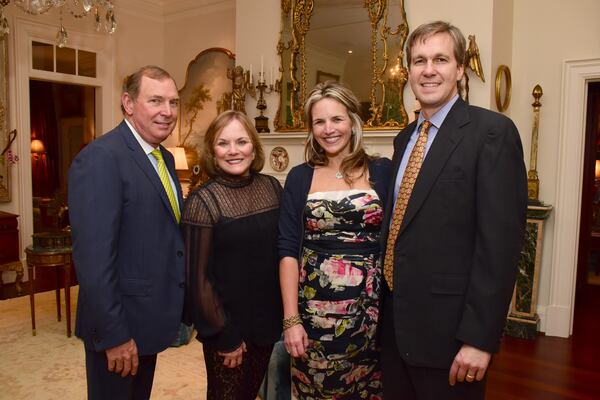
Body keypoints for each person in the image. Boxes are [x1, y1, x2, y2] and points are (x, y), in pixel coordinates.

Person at [379, 21, 528, 399]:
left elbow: (500, 247)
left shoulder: (492, 133)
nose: (428, 70)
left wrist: (480, 339)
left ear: (460, 69)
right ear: (408, 71)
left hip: (452, 337)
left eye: (440, 59)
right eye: (419, 60)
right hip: (396, 331)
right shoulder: (404, 139)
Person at [68, 65, 185, 399]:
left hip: (146, 320)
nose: (167, 112)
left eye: (174, 102)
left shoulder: (161, 157)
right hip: (118, 329)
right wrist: (115, 335)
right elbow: (93, 260)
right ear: (129, 104)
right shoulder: (101, 158)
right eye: (156, 101)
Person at [278, 81, 391, 399]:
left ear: (353, 121)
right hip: (313, 320)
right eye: (319, 121)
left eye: (336, 119)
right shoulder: (300, 177)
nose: (329, 129)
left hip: (372, 317)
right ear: (311, 128)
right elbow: (287, 249)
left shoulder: (382, 171)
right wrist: (291, 320)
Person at [181, 110, 283, 400]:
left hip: (265, 325)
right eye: (223, 143)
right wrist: (225, 336)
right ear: (212, 151)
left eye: (241, 141)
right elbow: (196, 279)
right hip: (227, 329)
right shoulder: (203, 201)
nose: (234, 151)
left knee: (251, 392)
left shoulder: (272, 188)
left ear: (254, 146)